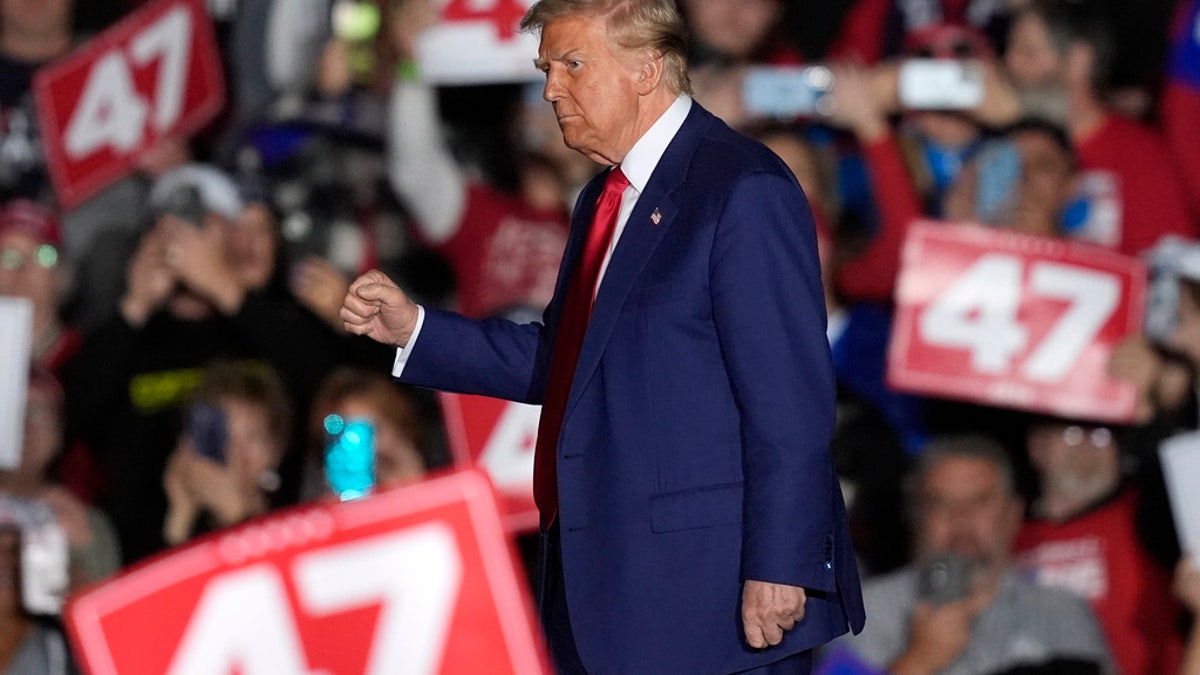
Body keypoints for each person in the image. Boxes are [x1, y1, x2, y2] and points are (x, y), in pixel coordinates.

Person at [341, 1, 863, 672]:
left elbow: (790, 402)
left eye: (572, 65)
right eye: (546, 69)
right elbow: (567, 362)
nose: (551, 89)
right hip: (609, 590)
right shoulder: (602, 199)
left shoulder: (740, 188)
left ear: (647, 68)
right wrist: (415, 328)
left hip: (717, 603)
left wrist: (782, 564)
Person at [832, 434, 1113, 675]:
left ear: (1013, 514)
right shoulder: (864, 611)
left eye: (979, 502)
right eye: (941, 503)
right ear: (917, 516)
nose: (961, 519)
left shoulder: (1060, 611)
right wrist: (917, 661)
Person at [1014, 417, 1182, 675]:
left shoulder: (1153, 515)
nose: (1087, 447)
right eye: (1072, 434)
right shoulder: (1006, 532)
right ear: (1036, 446)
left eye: (1100, 434)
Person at [162, 361, 293, 547]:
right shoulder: (196, 524)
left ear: (276, 450)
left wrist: (234, 513)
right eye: (224, 437)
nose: (235, 452)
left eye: (252, 438)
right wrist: (180, 515)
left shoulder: (293, 519)